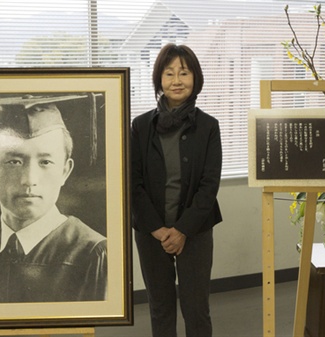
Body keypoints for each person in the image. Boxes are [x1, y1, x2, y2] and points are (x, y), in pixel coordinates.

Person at [0, 100, 107, 303]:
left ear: (65, 171)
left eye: (45, 162)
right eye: (14, 162)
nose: (29, 180)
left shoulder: (94, 254)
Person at [131, 43, 223, 337]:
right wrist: (158, 228)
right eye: (169, 73)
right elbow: (134, 183)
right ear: (159, 79)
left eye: (184, 73)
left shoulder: (208, 126)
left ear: (195, 78)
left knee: (196, 309)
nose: (177, 80)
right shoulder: (141, 125)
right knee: (160, 308)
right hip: (150, 231)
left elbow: (209, 186)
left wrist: (182, 229)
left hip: (195, 230)